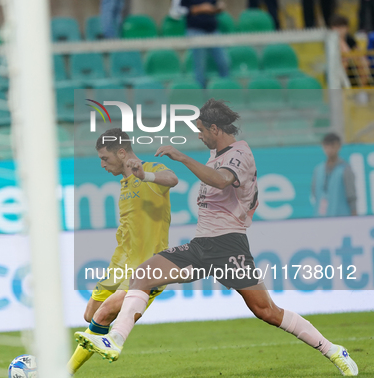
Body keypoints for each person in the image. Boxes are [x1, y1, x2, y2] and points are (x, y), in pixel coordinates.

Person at [76, 99, 359, 376]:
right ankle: (115, 339)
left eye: (200, 130)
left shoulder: (240, 153)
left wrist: (182, 157)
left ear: (214, 128)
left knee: (267, 311)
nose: (198, 136)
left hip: (228, 245)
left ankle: (333, 350)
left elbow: (222, 180)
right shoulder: (216, 156)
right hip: (202, 244)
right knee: (144, 274)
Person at [68, 128, 179, 374]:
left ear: (121, 152)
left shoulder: (152, 171)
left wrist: (145, 175)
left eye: (104, 158)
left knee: (105, 314)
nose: (101, 164)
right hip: (120, 264)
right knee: (91, 315)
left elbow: (173, 179)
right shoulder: (124, 183)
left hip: (148, 267)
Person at [169, 0, 229, 87]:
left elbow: (215, 5)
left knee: (224, 62)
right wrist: (200, 8)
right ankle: (201, 96)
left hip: (213, 30)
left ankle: (226, 90)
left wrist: (218, 7)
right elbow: (175, 12)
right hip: (195, 31)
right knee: (200, 67)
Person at [312, 133, 358, 217]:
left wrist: (354, 213)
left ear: (339, 147)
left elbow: (351, 195)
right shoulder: (318, 170)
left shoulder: (345, 169)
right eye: (326, 146)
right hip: (321, 218)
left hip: (341, 217)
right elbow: (314, 193)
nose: (329, 149)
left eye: (332, 146)